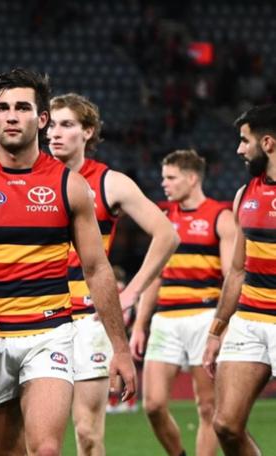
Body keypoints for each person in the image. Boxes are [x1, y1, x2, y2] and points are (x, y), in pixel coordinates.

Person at [0, 68, 136, 456]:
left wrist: (120, 349)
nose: (11, 115)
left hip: (50, 334)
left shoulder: (70, 185)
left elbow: (97, 269)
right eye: (2, 108)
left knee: (45, 449)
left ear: (41, 119)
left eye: (23, 107)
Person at [48, 93, 179, 455]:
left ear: (88, 131)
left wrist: (132, 292)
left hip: (90, 320)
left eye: (67, 124)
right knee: (39, 436)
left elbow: (167, 234)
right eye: (52, 125)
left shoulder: (109, 182)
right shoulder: (31, 179)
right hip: (37, 316)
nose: (55, 133)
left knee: (88, 434)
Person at [128, 149, 233, 456]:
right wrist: (139, 326)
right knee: (154, 404)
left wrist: (222, 325)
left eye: (170, 178)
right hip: (165, 320)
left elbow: (231, 278)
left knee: (207, 406)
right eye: (163, 177)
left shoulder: (220, 217)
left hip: (204, 316)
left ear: (191, 178)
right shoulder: (164, 219)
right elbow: (154, 275)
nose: (164, 184)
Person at [203, 104, 276, 455]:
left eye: (245, 141)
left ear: (268, 143)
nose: (239, 149)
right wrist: (216, 331)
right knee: (226, 426)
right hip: (249, 321)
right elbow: (237, 269)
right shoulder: (245, 195)